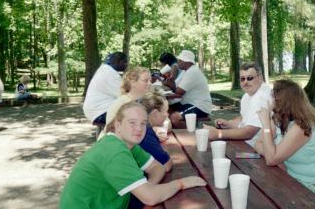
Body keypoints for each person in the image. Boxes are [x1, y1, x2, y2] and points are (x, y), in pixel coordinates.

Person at [60, 101, 206, 209]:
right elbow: (151, 198)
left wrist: (148, 187)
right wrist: (181, 184)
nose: (139, 129)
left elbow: (158, 168)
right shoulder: (114, 151)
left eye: (143, 123)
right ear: (117, 125)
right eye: (132, 123)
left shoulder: (128, 144)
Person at [254, 79, 315, 199]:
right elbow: (258, 143)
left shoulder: (302, 126)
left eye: (272, 95)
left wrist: (265, 125)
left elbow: (271, 159)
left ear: (282, 100)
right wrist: (271, 152)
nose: (269, 99)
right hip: (290, 175)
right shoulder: (280, 117)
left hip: (310, 183)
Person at [203, 62, 271, 147]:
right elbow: (243, 118)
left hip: (259, 149)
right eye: (242, 79)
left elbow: (249, 132)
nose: (245, 82)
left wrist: (218, 134)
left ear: (260, 78)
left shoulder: (262, 97)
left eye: (250, 78)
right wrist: (229, 124)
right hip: (249, 144)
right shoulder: (247, 95)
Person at [167, 50, 212, 129]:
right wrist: (170, 81)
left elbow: (178, 91)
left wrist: (169, 84)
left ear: (187, 62)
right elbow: (175, 87)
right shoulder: (186, 71)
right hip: (189, 103)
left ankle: (193, 134)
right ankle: (181, 131)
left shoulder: (192, 72)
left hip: (199, 106)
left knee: (174, 118)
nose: (178, 62)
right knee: (166, 108)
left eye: (180, 60)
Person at [83, 52, 128, 125]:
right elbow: (125, 95)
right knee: (136, 114)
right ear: (118, 62)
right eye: (125, 62)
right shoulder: (111, 74)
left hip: (95, 111)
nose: (126, 64)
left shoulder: (104, 70)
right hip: (100, 112)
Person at [139, 91, 172, 172]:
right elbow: (167, 166)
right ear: (155, 113)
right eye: (166, 111)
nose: (167, 115)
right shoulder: (146, 133)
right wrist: (164, 148)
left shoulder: (141, 125)